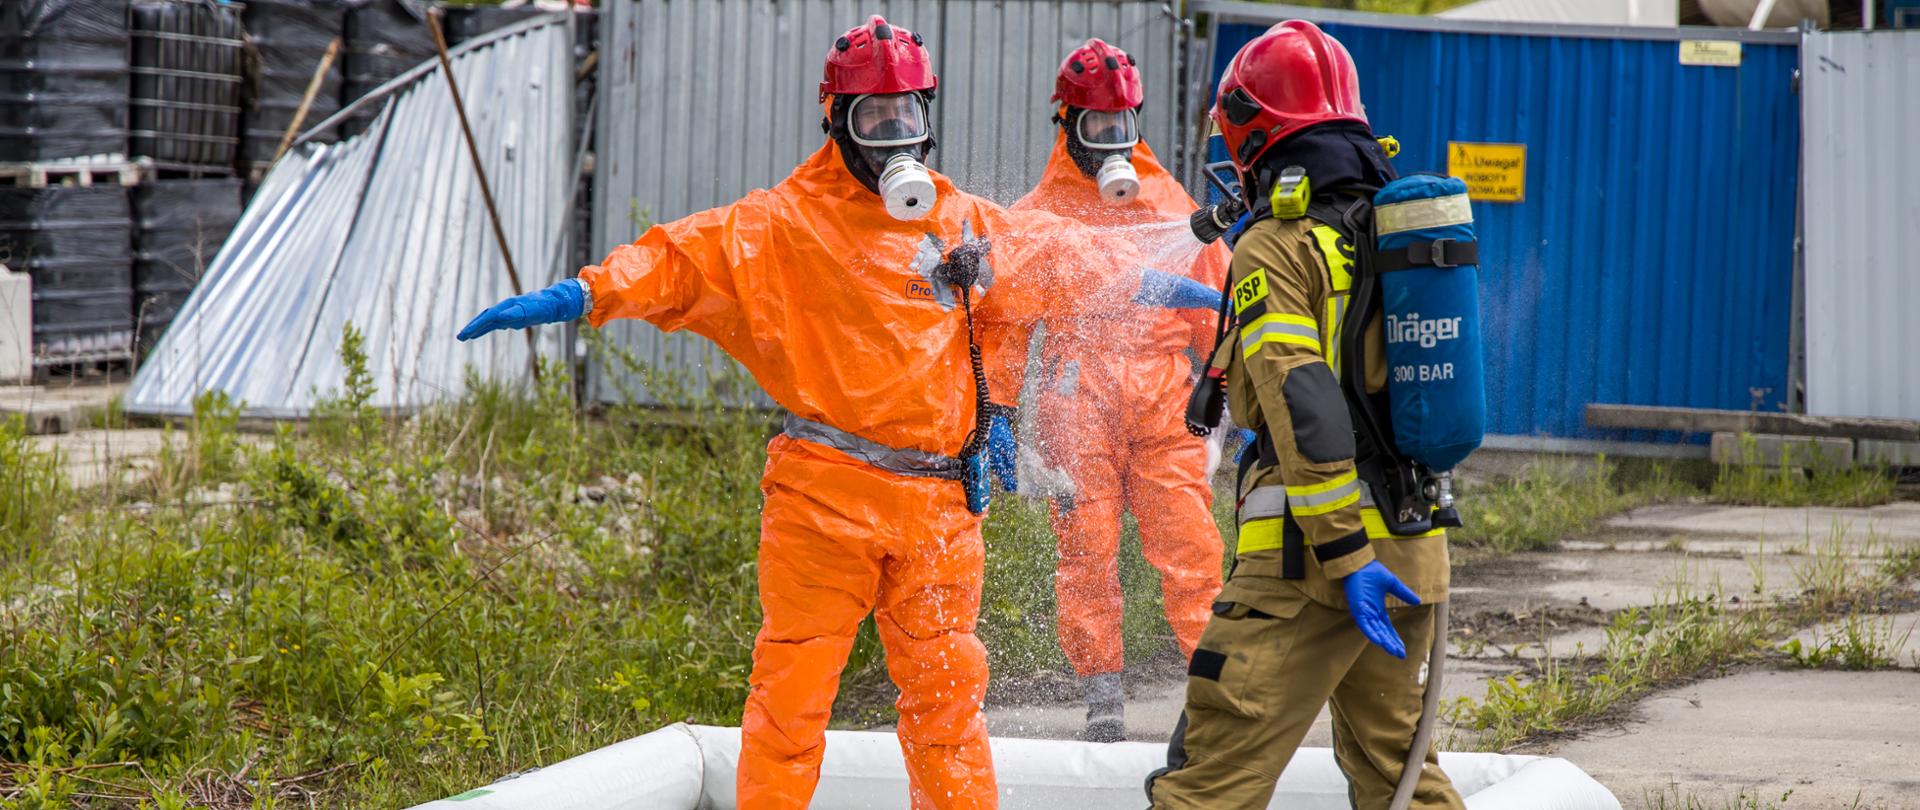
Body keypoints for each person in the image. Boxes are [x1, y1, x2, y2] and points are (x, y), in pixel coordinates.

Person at [456, 16, 1215, 809]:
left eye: (905, 116)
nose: (893, 139)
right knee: (791, 700)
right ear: (837, 121)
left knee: (949, 707)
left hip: (938, 510)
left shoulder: (960, 224)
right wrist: (585, 293)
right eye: (874, 119)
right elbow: (679, 261)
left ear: (927, 117)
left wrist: (1164, 287)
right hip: (824, 500)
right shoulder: (782, 227)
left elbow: (1061, 257)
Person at [1146, 21, 1465, 810]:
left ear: (1256, 134)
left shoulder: (1280, 244)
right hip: (1412, 556)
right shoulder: (1388, 231)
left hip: (1314, 564)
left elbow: (1304, 399)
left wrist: (1346, 556)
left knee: (1208, 784)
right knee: (1400, 781)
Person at [978, 38, 1228, 743]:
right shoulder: (1036, 214)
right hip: (1074, 398)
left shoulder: (1169, 202)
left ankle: (1214, 695)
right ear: (1068, 125)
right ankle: (1102, 695)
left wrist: (1231, 392)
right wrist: (997, 408)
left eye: (1123, 123)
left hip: (1165, 398)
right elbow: (1005, 325)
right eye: (1098, 125)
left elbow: (1216, 302)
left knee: (1191, 547)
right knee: (1085, 551)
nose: (1112, 139)